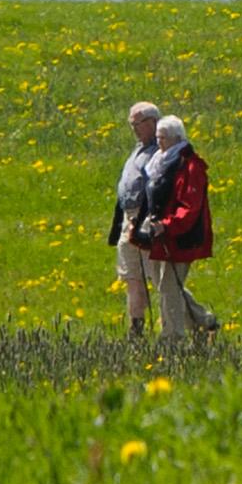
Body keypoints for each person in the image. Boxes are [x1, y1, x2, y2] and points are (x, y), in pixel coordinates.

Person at [136, 114, 219, 343]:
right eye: (158, 137)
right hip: (162, 235)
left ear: (176, 138)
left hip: (182, 237)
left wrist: (167, 225)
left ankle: (173, 337)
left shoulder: (191, 167)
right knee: (167, 285)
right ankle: (202, 322)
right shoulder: (160, 163)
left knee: (169, 286)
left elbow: (189, 208)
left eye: (163, 138)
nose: (159, 142)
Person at [105, 102, 165, 338]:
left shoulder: (160, 152)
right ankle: (136, 329)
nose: (134, 129)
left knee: (157, 276)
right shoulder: (137, 150)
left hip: (146, 218)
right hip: (127, 220)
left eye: (138, 124)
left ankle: (175, 324)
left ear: (152, 122)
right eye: (131, 124)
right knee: (131, 276)